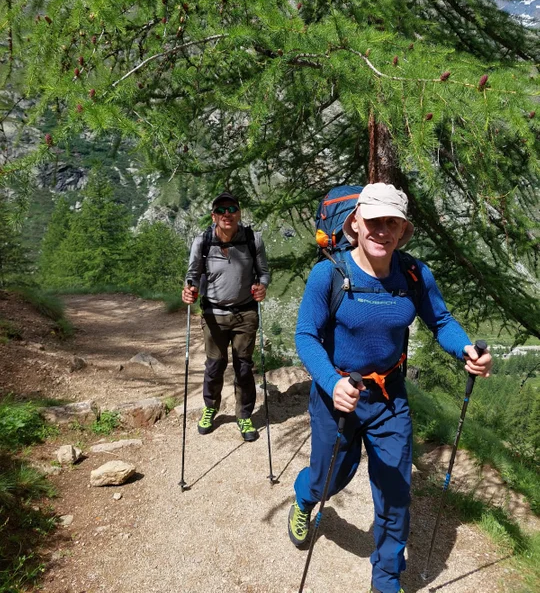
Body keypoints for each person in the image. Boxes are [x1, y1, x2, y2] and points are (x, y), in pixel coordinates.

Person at [288, 182, 492, 593]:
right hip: (337, 397)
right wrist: (331, 382)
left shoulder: (414, 274)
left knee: (395, 494)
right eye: (375, 221)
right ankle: (305, 499)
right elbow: (306, 336)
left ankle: (385, 580)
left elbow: (442, 321)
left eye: (392, 223)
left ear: (402, 231)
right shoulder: (329, 273)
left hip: (389, 398)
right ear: (355, 224)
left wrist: (466, 348)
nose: (383, 230)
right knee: (331, 478)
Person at [182, 192, 270, 442]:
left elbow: (263, 273)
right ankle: (210, 408)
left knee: (244, 367)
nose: (227, 214)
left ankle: (244, 415)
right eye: (221, 210)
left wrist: (262, 287)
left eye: (232, 208)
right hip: (213, 314)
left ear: (239, 213)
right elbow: (193, 274)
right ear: (214, 216)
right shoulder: (202, 241)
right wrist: (190, 290)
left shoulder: (254, 239)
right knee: (214, 365)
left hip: (245, 312)